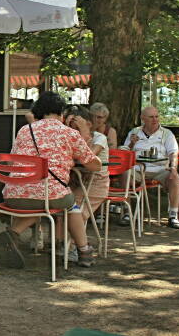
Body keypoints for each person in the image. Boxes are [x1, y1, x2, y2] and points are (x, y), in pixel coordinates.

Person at [0, 92, 101, 269]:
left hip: (13, 194)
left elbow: (10, 160)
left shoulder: (24, 130)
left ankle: (14, 234)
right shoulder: (69, 133)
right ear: (61, 112)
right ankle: (84, 251)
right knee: (70, 205)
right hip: (49, 194)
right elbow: (93, 165)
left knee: (40, 198)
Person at [57, 105, 110, 265]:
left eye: (76, 127)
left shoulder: (99, 137)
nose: (73, 131)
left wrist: (84, 133)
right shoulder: (69, 137)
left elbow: (87, 158)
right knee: (62, 208)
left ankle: (73, 247)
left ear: (88, 123)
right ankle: (62, 244)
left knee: (76, 211)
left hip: (96, 184)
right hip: (77, 182)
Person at [121, 106, 179, 229]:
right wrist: (132, 143)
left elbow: (173, 153)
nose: (155, 120)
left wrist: (173, 168)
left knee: (175, 178)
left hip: (159, 169)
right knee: (125, 174)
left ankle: (173, 215)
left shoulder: (167, 133)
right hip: (138, 169)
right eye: (151, 117)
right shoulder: (135, 132)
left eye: (156, 116)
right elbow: (125, 153)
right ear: (143, 118)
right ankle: (127, 213)